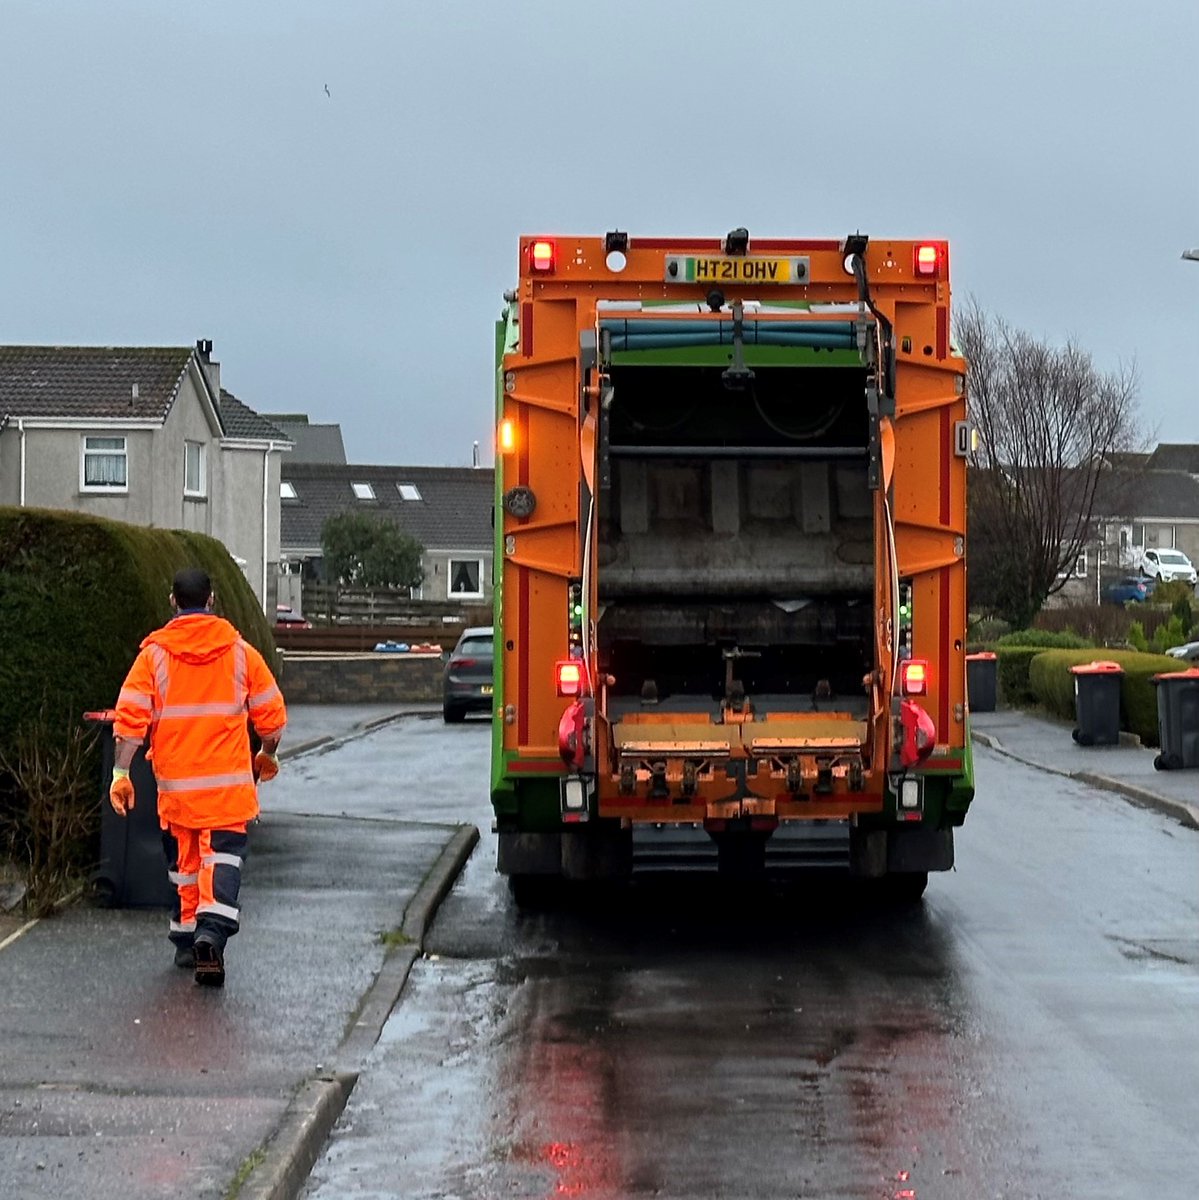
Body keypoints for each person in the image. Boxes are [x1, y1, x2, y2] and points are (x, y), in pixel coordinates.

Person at [110, 567, 287, 988]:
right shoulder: (241, 653)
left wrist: (121, 772)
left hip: (177, 790)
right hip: (226, 790)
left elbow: (130, 719)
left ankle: (188, 941)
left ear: (173, 600)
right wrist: (266, 754)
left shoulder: (153, 656)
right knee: (221, 861)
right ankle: (211, 932)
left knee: (186, 868)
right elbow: (272, 718)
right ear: (212, 600)